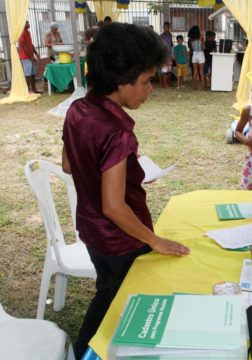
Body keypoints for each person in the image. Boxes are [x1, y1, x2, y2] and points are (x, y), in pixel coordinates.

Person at [61, 23, 190, 359]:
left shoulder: (78, 109)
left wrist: (116, 173)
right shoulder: (119, 134)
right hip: (122, 240)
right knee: (128, 304)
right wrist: (154, 239)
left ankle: (82, 348)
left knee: (105, 293)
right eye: (146, 81)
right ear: (122, 80)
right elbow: (115, 207)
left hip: (90, 232)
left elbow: (68, 164)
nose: (150, 90)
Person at [18, 21, 42, 94]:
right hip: (25, 57)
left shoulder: (27, 32)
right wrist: (31, 56)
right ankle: (27, 91)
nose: (28, 24)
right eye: (26, 23)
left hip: (30, 56)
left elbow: (30, 44)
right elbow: (23, 45)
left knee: (32, 73)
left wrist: (35, 52)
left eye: (28, 22)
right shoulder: (22, 33)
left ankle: (34, 89)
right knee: (27, 74)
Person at [187, 25, 206, 91]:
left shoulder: (191, 39)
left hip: (194, 54)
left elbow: (191, 48)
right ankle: (203, 88)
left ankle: (194, 87)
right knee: (201, 72)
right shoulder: (201, 38)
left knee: (195, 72)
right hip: (200, 54)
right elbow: (204, 48)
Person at [159, 21, 173, 88]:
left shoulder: (170, 35)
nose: (164, 28)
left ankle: (169, 83)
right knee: (164, 70)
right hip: (164, 54)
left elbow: (171, 45)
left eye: (166, 27)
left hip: (169, 54)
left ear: (169, 27)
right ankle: (165, 84)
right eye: (164, 27)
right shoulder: (161, 36)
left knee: (169, 69)